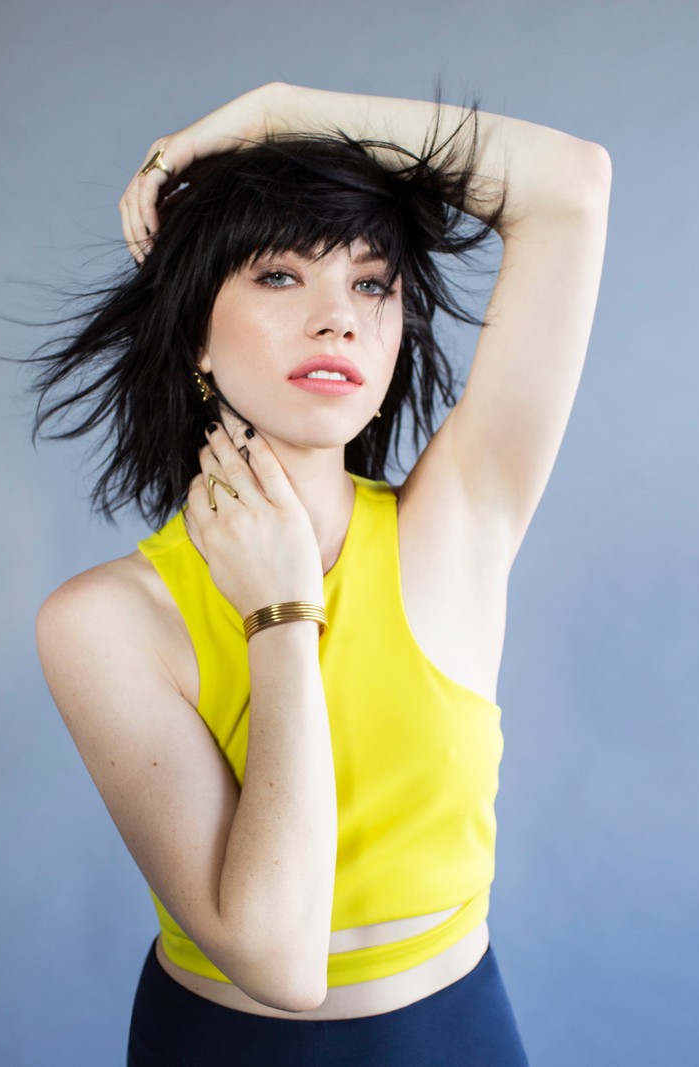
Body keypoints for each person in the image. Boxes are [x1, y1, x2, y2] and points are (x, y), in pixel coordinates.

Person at [31, 82, 610, 1066]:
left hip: (454, 1033)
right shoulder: (106, 620)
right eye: (280, 276)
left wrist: (268, 113)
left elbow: (569, 187)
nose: (338, 317)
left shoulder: (458, 520)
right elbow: (280, 962)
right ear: (196, 338)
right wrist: (281, 615)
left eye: (372, 283)